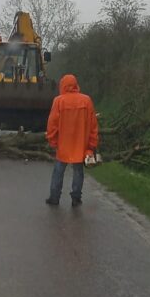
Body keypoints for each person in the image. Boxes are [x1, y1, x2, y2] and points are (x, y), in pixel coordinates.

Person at [45, 74, 98, 207]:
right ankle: (76, 198)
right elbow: (93, 125)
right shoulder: (86, 101)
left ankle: (54, 197)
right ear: (75, 85)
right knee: (78, 171)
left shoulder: (59, 101)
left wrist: (52, 140)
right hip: (81, 143)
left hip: (63, 144)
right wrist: (91, 145)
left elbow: (52, 124)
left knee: (58, 170)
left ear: (62, 85)